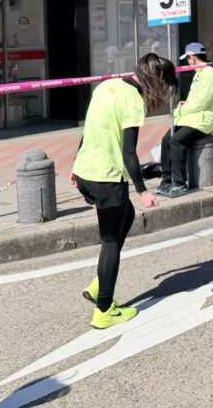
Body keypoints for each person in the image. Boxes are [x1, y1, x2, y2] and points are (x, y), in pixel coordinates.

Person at [69, 53, 176, 328]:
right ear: (157, 81)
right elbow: (129, 153)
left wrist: (75, 164)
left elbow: (91, 129)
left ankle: (99, 284)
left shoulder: (107, 86)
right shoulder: (133, 101)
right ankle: (104, 308)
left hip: (85, 172)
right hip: (106, 178)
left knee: (125, 217)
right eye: (165, 86)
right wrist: (142, 191)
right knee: (111, 242)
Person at [156, 43, 213, 198]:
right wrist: (185, 106)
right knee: (166, 139)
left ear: (192, 57)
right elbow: (197, 100)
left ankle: (179, 183)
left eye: (188, 59)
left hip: (202, 120)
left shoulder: (208, 74)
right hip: (192, 117)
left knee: (176, 141)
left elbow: (202, 102)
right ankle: (167, 179)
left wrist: (180, 110)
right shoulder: (200, 73)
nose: (188, 62)